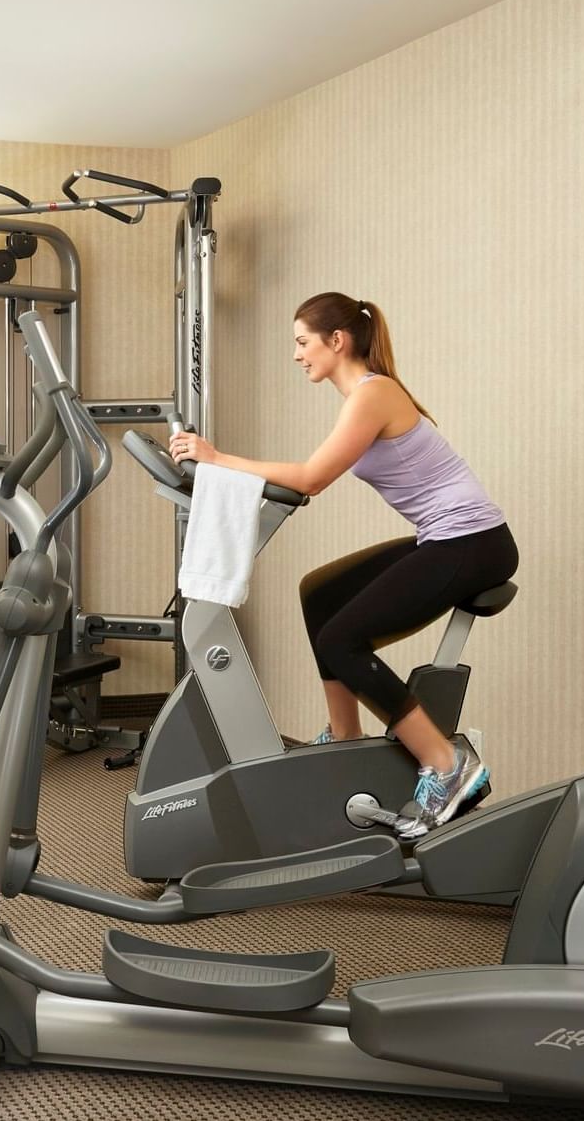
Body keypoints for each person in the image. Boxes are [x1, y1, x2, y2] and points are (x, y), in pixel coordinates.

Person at [168, 292, 517, 837]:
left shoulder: (374, 395)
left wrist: (216, 459)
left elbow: (310, 477)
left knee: (341, 640)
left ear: (337, 340)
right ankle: (346, 736)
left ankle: (448, 767)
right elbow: (309, 474)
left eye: (302, 342)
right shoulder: (361, 396)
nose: (297, 354)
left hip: (473, 544)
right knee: (321, 592)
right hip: (447, 538)